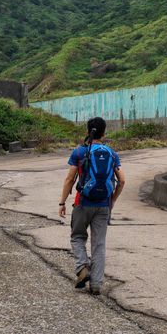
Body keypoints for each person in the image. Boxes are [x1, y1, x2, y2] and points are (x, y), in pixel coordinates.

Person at [59, 116, 125, 294]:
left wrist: (62, 202)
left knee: (77, 237)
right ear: (104, 133)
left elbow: (69, 180)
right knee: (99, 244)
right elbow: (122, 180)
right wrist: (112, 200)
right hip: (104, 205)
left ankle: (82, 268)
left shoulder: (80, 153)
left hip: (83, 203)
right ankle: (96, 285)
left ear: (88, 132)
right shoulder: (112, 154)